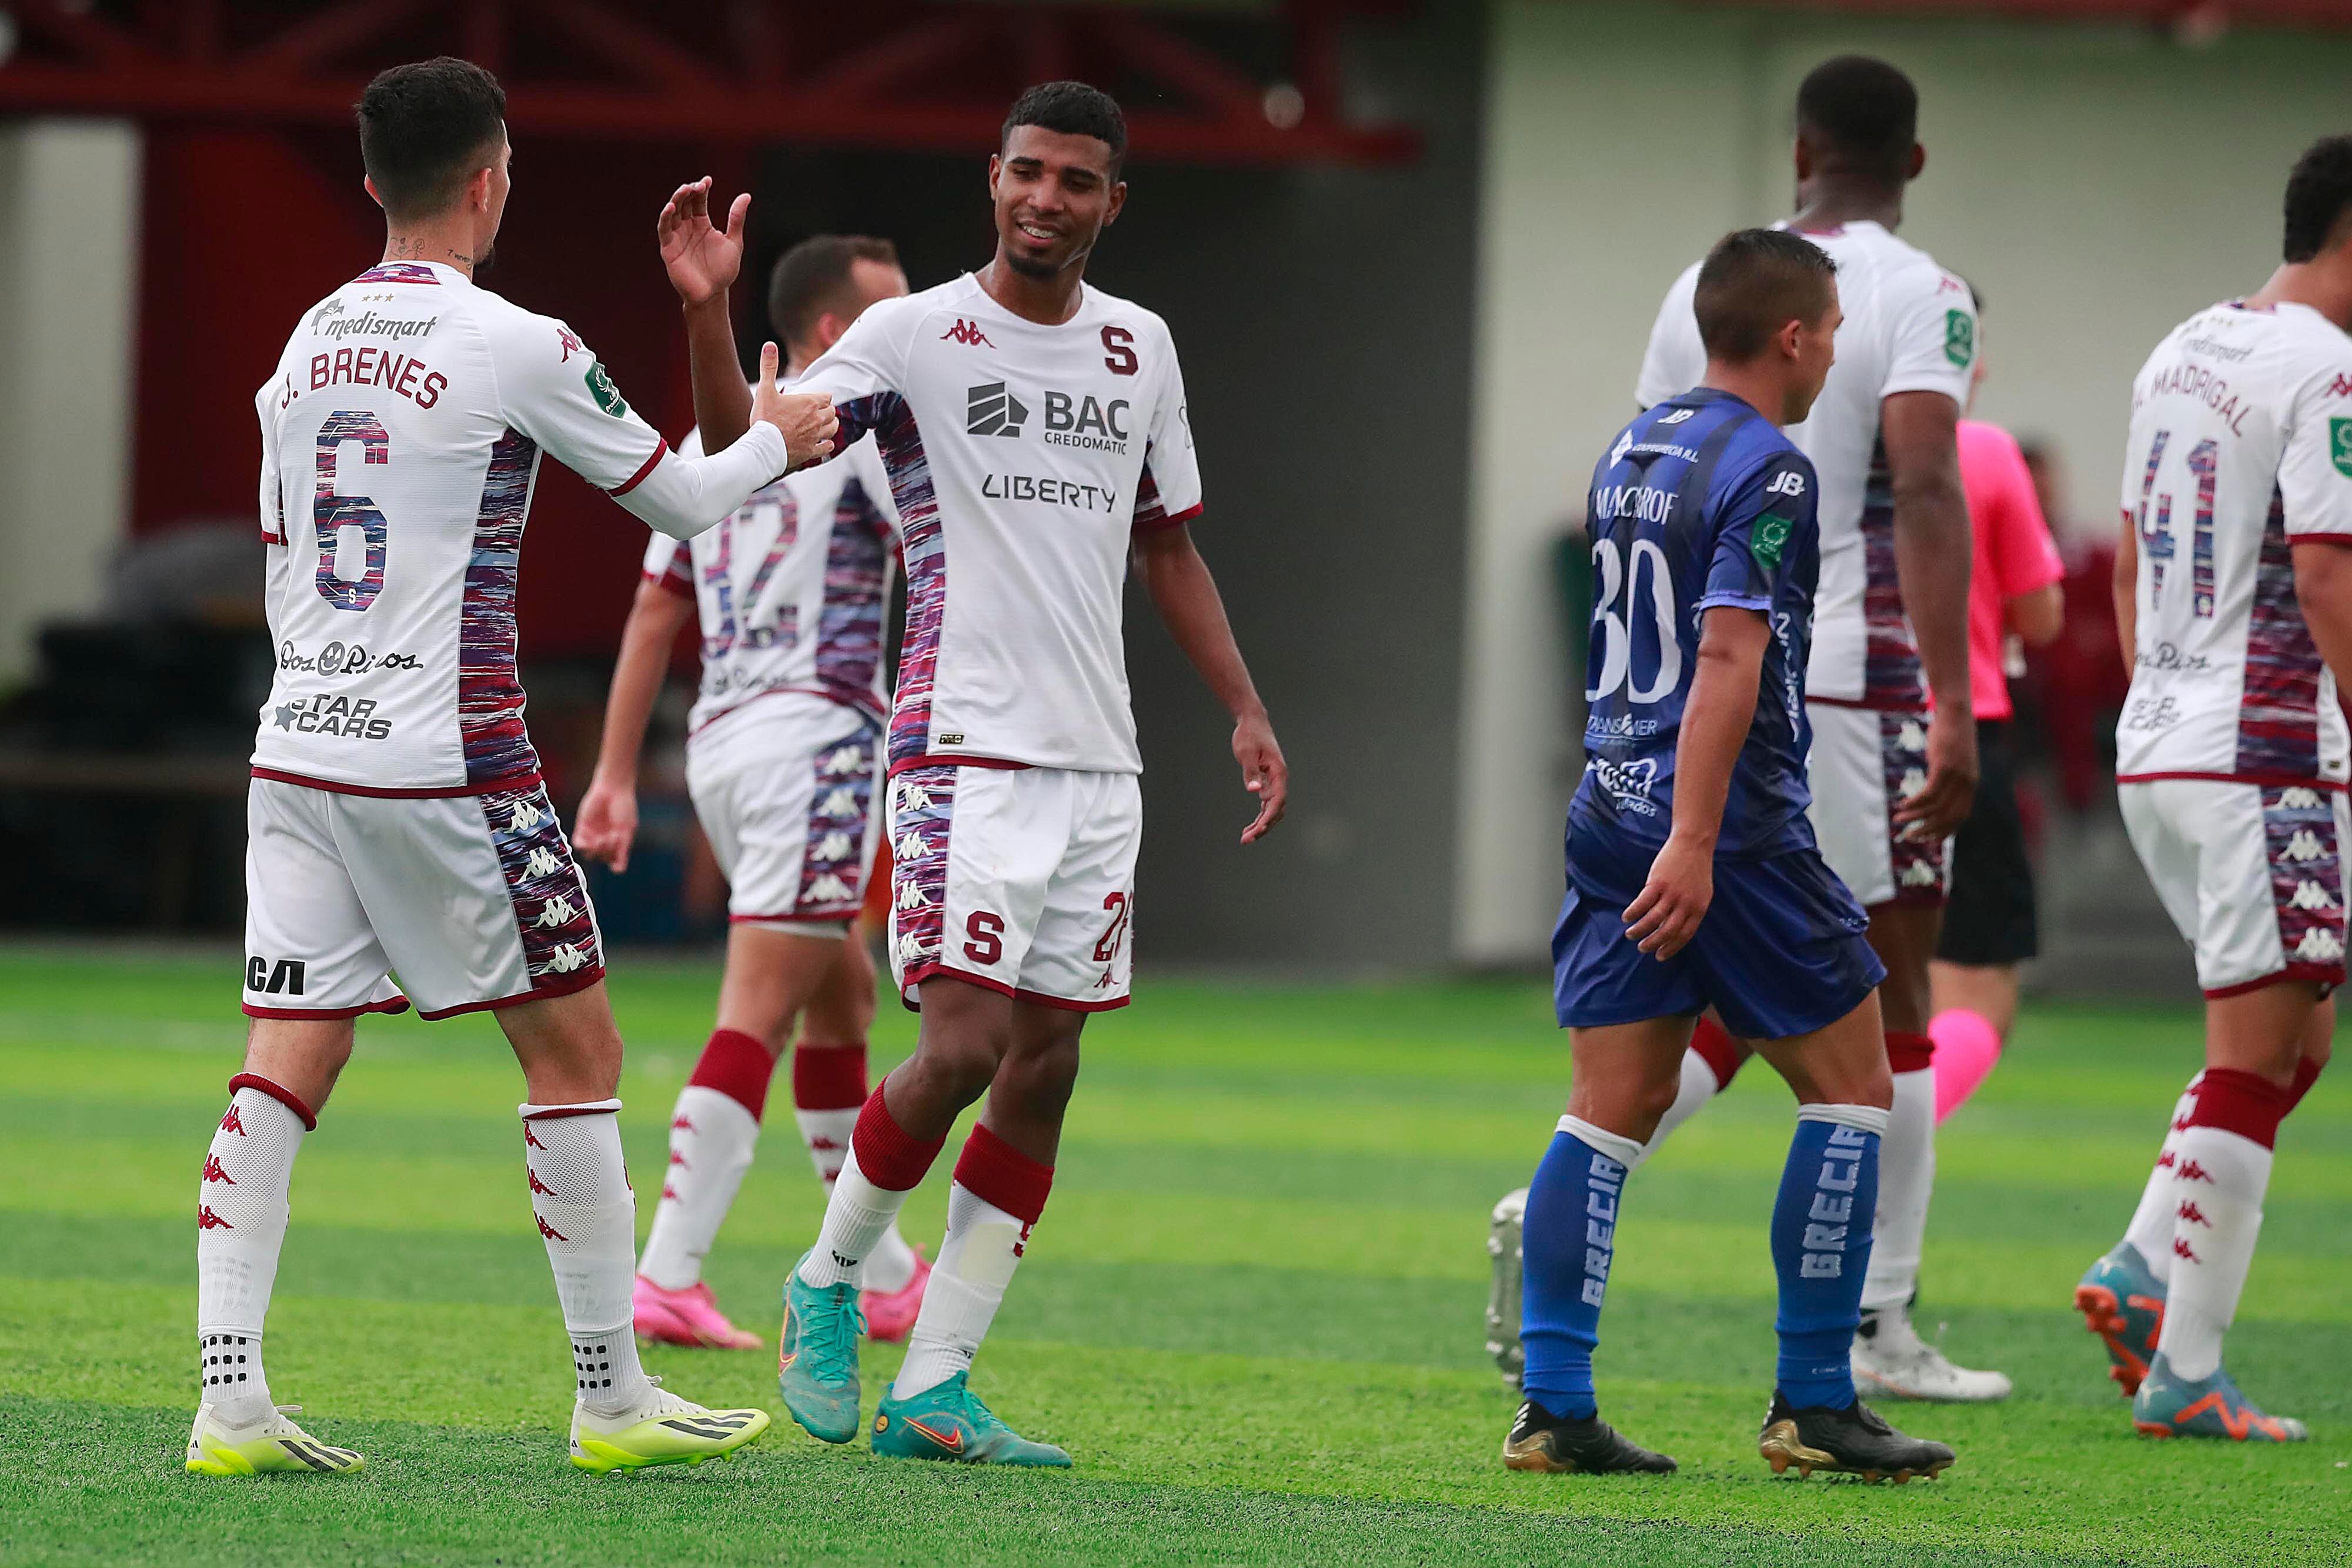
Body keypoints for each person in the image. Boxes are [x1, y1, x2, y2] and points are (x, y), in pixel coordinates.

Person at [193, 56, 838, 1477]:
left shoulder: (297, 352)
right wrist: (783, 443)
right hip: (447, 756)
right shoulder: (512, 341)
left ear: (372, 180)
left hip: (297, 749)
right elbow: (679, 494)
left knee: (281, 1058)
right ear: (491, 177)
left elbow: (287, 548)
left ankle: (228, 1395)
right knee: (579, 1050)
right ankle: (612, 1397)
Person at [665, 80, 1288, 1467]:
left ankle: (936, 1378)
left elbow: (1166, 545)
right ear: (990, 180)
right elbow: (736, 450)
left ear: (1111, 202)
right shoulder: (910, 334)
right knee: (960, 1044)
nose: (1045, 198)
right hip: (958, 747)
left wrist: (1242, 705)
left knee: (1048, 1061)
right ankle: (827, 1274)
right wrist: (710, 307)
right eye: (1026, 172)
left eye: (1075, 180)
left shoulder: (1142, 348)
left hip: (1099, 764)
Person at [1509, 228, 1953, 1483]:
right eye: (1831, 335)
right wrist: (1700, 839)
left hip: (1606, 798)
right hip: (1729, 824)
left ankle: (1553, 1404)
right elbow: (1723, 655)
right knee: (1854, 1083)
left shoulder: (1632, 441)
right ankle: (1813, 1399)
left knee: (1611, 1107)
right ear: (1797, 337)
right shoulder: (1773, 467)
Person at [1630, 55, 2009, 1404]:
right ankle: (1878, 1322)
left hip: (1709, 678)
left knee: (1738, 980)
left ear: (1798, 148)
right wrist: (1956, 695)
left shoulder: (1701, 285)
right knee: (1891, 999)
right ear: (1910, 163)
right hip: (1854, 680)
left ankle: (1572, 1179)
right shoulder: (1922, 295)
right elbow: (1919, 476)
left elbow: (1652, 469)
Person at [572, 233, 931, 1353]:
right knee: (759, 1010)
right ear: (838, 332)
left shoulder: (715, 438)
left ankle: (887, 1271)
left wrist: (621, 772)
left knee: (843, 1003)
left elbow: (653, 609)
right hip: (816, 737)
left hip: (726, 744)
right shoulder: (862, 434)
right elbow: (944, 569)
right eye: (892, 317)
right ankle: (670, 1273)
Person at [2072, 135, 2352, 1443]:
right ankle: (2186, 1374)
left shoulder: (2177, 346)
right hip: (2265, 753)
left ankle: (2138, 1266)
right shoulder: (2328, 369)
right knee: (2257, 1054)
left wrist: (2156, 706)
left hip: (2164, 745)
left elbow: (2127, 558)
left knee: (2295, 1037)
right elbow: (2327, 576)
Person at [1927, 286, 2067, 1121]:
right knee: (1975, 995)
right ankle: (1878, 1167)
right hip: (1960, 735)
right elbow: (2042, 616)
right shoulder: (1981, 451)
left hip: (1834, 732)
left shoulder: (1825, 451)